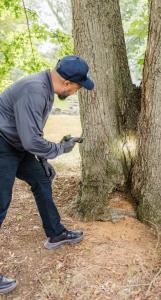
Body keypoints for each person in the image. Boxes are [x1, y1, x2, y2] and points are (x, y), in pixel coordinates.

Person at [0, 55, 94, 250]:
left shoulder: (46, 88)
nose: (75, 93)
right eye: (77, 89)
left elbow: (32, 131)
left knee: (42, 180)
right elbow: (31, 140)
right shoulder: (35, 90)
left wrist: (43, 160)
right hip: (3, 144)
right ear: (67, 82)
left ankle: (56, 233)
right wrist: (61, 149)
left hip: (17, 145)